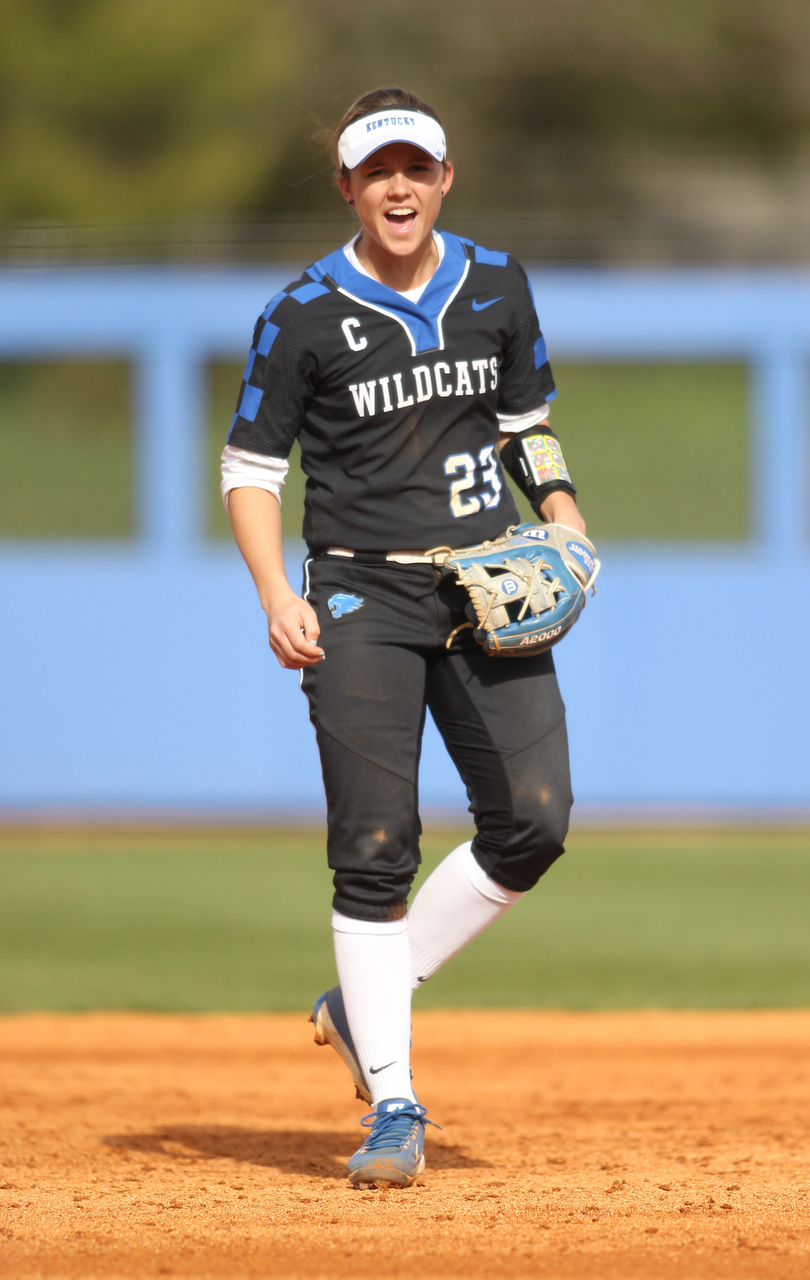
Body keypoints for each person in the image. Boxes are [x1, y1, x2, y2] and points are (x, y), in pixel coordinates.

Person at [221, 86, 587, 1188]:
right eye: (375, 168)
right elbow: (250, 470)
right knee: (376, 846)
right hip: (357, 597)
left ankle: (363, 997)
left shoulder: (498, 284)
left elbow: (527, 427)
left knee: (534, 820)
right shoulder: (302, 313)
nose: (397, 185)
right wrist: (272, 590)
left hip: (487, 588)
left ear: (444, 178)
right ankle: (394, 1098)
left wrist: (561, 509)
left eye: (414, 167)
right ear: (347, 185)